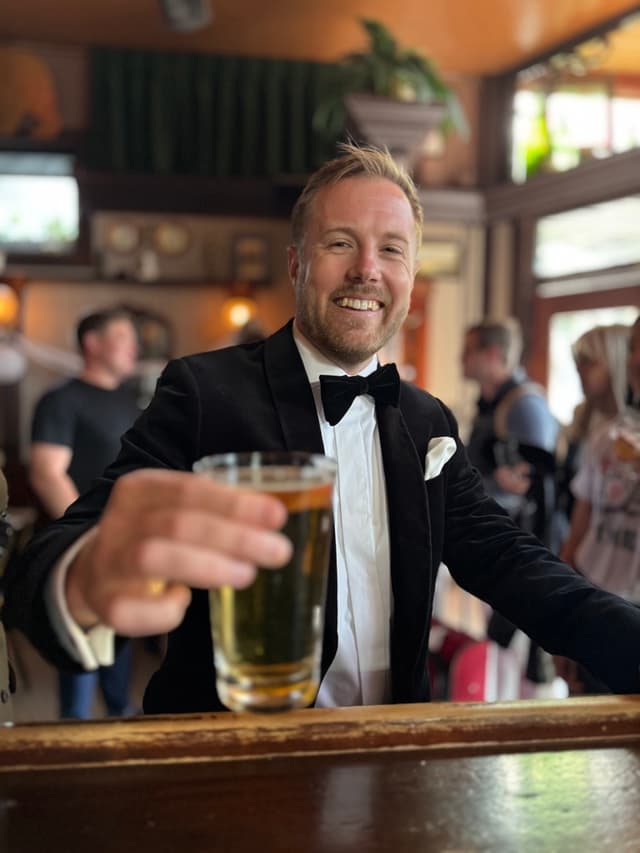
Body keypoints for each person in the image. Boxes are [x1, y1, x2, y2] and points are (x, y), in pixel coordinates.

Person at [4, 144, 640, 716]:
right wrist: (80, 578)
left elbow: (506, 558)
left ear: (411, 276)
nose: (367, 268)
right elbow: (62, 550)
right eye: (339, 243)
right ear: (296, 264)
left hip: (394, 760)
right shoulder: (204, 392)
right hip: (235, 758)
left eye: (391, 249)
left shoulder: (428, 419)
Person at [28, 306, 140, 718]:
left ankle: (120, 718)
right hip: (81, 547)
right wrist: (89, 536)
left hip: (123, 542)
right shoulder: (61, 399)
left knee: (119, 647)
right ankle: (72, 738)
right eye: (123, 337)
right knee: (81, 658)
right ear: (92, 343)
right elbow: (46, 473)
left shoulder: (128, 401)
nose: (133, 347)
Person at [558, 316, 640, 693]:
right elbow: (578, 532)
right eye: (634, 347)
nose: (636, 360)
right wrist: (562, 618)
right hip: (596, 596)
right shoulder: (606, 436)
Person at [462, 318, 558, 544]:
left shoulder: (525, 405)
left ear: (492, 354)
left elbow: (535, 486)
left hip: (515, 538)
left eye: (468, 351)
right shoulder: (489, 402)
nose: (461, 358)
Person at [556, 323, 631, 530]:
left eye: (588, 361)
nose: (578, 369)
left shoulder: (631, 429)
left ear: (617, 361)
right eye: (577, 361)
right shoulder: (582, 416)